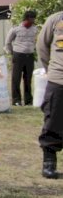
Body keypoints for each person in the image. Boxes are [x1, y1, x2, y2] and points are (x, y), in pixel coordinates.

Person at [36, 10, 63, 179]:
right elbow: (41, 46)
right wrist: (51, 69)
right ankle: (49, 163)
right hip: (59, 80)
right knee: (53, 121)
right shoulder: (55, 19)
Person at [5, 10, 38, 106]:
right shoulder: (16, 29)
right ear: (26, 19)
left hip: (30, 56)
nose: (33, 20)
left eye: (34, 18)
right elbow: (8, 42)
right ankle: (16, 100)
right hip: (18, 55)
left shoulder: (35, 29)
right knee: (16, 78)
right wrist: (12, 53)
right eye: (32, 18)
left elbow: (35, 41)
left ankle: (28, 100)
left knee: (28, 79)